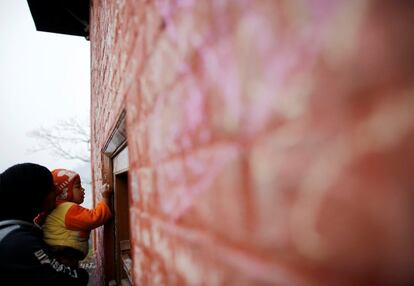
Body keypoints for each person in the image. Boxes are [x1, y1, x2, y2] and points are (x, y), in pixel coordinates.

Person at [0, 163, 89, 285]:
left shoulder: (10, 228)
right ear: (35, 194)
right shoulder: (20, 241)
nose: (57, 193)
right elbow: (64, 280)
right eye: (52, 189)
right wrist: (82, 274)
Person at [40, 168, 112, 268]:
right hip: (63, 256)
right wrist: (106, 198)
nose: (82, 189)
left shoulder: (60, 207)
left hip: (59, 254)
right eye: (78, 186)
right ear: (65, 191)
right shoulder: (67, 209)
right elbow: (93, 218)